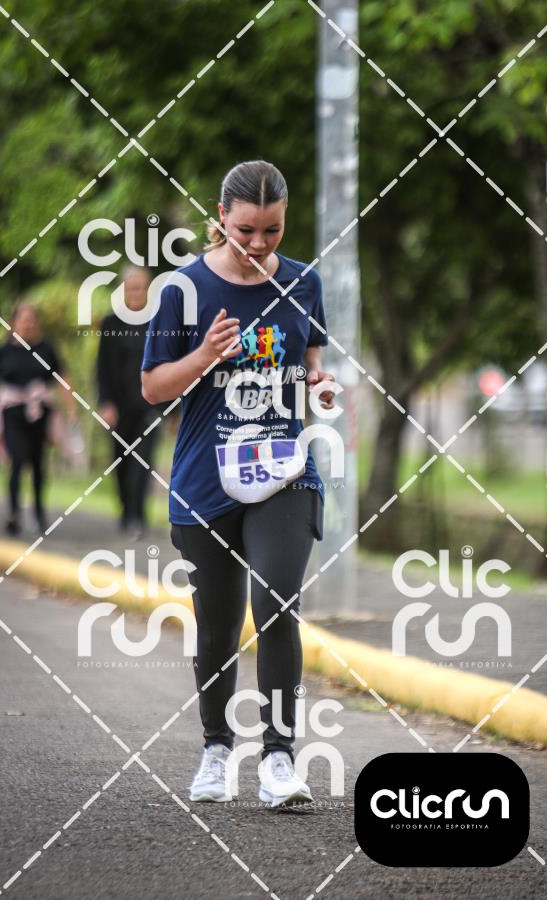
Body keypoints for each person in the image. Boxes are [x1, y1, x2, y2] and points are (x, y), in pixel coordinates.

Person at [141, 160, 335, 808]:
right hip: (206, 477)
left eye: (272, 231)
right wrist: (204, 356)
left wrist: (321, 386)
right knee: (218, 627)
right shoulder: (183, 289)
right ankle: (216, 749)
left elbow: (311, 363)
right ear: (221, 216)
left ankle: (279, 758)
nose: (257, 243)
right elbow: (153, 387)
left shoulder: (304, 282)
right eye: (246, 229)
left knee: (276, 604)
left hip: (284, 470)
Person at [0, 302, 76, 535]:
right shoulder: (3, 351)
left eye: (31, 320)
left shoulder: (46, 349)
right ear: (13, 323)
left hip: (40, 414)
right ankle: (14, 513)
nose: (27, 324)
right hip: (12, 413)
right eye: (23, 320)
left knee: (39, 464)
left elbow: (62, 379)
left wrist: (71, 409)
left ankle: (39, 513)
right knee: (17, 461)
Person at [96, 266, 164, 539]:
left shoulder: (158, 322)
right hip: (119, 407)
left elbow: (169, 363)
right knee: (121, 461)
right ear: (123, 291)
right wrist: (105, 403)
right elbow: (102, 367)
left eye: (142, 287)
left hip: (150, 406)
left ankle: (138, 516)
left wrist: (172, 407)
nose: (137, 293)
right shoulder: (111, 323)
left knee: (142, 462)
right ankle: (126, 511)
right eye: (132, 288)